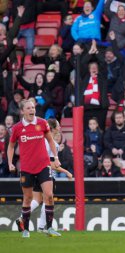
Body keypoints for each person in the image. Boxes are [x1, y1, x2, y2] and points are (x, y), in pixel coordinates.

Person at [7, 99, 62, 237]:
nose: (32, 110)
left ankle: (49, 228)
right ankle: (25, 229)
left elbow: (50, 140)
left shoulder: (42, 123)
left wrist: (56, 157)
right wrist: (10, 162)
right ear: (22, 111)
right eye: (29, 108)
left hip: (43, 165)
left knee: (49, 196)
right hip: (27, 168)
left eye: (33, 107)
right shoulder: (17, 128)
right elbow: (11, 146)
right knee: (28, 198)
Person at [15, 118, 72, 233]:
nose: (60, 128)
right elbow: (50, 163)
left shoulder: (41, 139)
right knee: (48, 199)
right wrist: (66, 172)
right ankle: (41, 228)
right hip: (46, 174)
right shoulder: (52, 143)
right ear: (52, 128)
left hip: (35, 172)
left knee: (37, 199)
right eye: (58, 126)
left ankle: (22, 217)